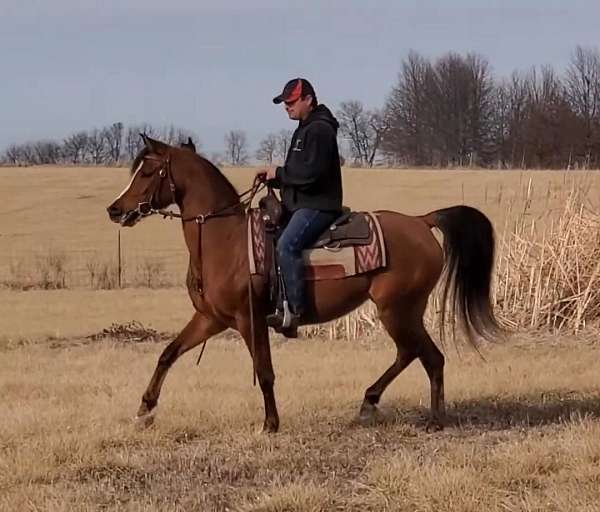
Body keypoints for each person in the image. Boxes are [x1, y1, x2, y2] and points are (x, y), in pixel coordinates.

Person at [257, 78, 343, 333]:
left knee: (287, 244)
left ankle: (296, 311)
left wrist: (279, 173)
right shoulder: (305, 128)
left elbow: (310, 174)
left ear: (308, 99)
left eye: (292, 101)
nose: (287, 107)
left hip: (319, 204)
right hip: (302, 204)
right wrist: (276, 178)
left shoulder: (319, 130)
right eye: (285, 103)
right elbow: (298, 171)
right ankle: (278, 303)